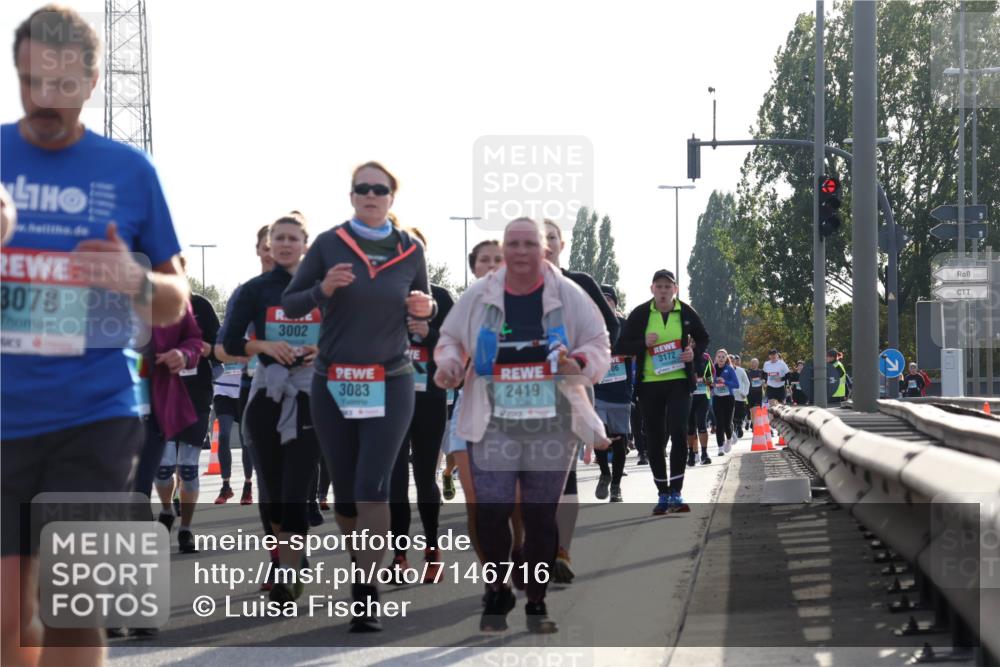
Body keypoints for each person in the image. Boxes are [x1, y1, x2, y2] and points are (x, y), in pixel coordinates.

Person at [1, 8, 189, 666]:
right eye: (30, 82)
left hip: (94, 413)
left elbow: (175, 299)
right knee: (6, 615)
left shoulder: (128, 171)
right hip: (2, 414)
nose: (44, 100)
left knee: (74, 606)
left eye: (60, 84)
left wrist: (132, 280)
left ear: (91, 78)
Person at [434, 217, 610, 634]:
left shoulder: (569, 295)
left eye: (529, 243)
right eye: (512, 243)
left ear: (544, 251)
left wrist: (579, 363)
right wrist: (450, 365)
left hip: (551, 421)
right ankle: (496, 589)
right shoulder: (480, 295)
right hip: (493, 420)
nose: (520, 252)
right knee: (492, 511)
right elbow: (448, 339)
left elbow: (598, 343)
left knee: (539, 516)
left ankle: (536, 601)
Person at [282, 162, 434, 632]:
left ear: (392, 196)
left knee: (374, 483)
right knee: (345, 490)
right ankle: (361, 558)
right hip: (332, 381)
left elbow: (422, 314)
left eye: (379, 189)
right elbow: (291, 303)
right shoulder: (329, 243)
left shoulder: (411, 249)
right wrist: (322, 288)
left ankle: (364, 590)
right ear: (352, 196)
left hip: (390, 378)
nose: (370, 194)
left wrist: (423, 311)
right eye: (361, 188)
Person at [224, 212, 322, 604]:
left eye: (292, 238)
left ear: (305, 245)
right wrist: (263, 347)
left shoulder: (322, 289)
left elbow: (349, 333)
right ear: (270, 245)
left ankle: (289, 568)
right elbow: (230, 341)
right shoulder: (253, 290)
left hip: (310, 398)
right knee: (272, 489)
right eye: (278, 238)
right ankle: (284, 559)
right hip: (266, 395)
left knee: (296, 489)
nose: (284, 244)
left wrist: (323, 347)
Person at [541, 219, 617, 583]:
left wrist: (583, 360)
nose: (545, 245)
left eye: (551, 238)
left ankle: (561, 551)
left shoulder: (581, 284)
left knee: (563, 471)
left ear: (562, 243)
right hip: (522, 392)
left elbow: (610, 329)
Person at [388, 227, 455, 584]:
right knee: (395, 481)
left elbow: (456, 343)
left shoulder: (442, 297)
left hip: (429, 398)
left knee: (425, 476)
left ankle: (432, 550)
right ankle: (400, 554)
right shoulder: (385, 295)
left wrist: (427, 333)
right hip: (391, 399)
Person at [617, 269, 710, 515]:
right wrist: (642, 344)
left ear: (675, 290)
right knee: (655, 439)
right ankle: (663, 493)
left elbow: (703, 338)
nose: (663, 291)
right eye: (659, 287)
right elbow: (620, 346)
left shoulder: (686, 312)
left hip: (679, 382)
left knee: (679, 431)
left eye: (668, 287)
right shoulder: (640, 314)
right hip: (650, 385)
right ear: (652, 290)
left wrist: (694, 353)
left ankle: (676, 492)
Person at [152, 279, 218, 553]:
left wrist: (201, 348)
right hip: (163, 396)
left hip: (196, 398)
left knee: (188, 468)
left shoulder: (202, 306)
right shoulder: (151, 305)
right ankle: (167, 509)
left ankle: (187, 530)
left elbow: (220, 348)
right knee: (164, 467)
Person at [441, 238, 502, 502]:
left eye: (498, 260)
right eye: (484, 260)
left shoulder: (527, 301)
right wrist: (450, 365)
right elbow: (449, 344)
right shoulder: (466, 305)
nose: (491, 266)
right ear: (474, 268)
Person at [594, 285, 631, 502]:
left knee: (619, 441)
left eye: (609, 300)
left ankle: (616, 486)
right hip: (598, 388)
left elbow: (637, 348)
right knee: (598, 435)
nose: (605, 303)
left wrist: (626, 352)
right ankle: (605, 474)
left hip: (620, 390)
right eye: (601, 299)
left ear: (615, 303)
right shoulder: (590, 325)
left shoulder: (625, 324)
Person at [710, 350, 741, 456]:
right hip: (717, 398)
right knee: (719, 424)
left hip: (728, 398)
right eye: (719, 356)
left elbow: (736, 384)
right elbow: (708, 381)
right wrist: (712, 384)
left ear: (726, 358)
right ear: (716, 358)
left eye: (723, 357)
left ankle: (729, 439)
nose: (721, 358)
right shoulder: (712, 369)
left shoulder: (730, 368)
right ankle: (720, 448)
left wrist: (725, 382)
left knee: (727, 424)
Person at [687, 352, 714, 465]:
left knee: (702, 423)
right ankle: (692, 455)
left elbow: (711, 372)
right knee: (691, 428)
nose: (693, 344)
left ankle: (704, 454)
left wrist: (709, 383)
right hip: (689, 396)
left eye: (695, 342)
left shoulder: (705, 357)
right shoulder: (684, 355)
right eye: (691, 342)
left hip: (703, 394)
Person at [731, 354, 751, 438]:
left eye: (733, 360)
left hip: (740, 396)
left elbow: (747, 382)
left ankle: (739, 426)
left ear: (735, 361)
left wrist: (745, 393)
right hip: (729, 395)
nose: (732, 361)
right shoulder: (724, 370)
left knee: (740, 413)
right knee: (732, 413)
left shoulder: (741, 370)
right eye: (730, 360)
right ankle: (734, 427)